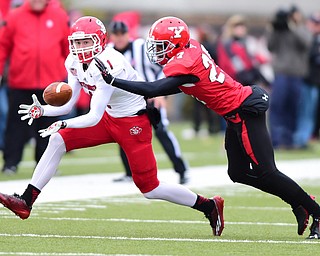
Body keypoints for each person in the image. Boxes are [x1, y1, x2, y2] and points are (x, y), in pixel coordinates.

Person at [94, 16, 320, 239]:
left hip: (244, 111)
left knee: (268, 172)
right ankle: (299, 204)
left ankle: (315, 211)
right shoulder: (190, 48)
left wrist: (113, 81)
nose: (158, 51)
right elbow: (181, 85)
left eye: (162, 46)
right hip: (233, 114)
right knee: (238, 173)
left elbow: (154, 89)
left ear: (176, 44)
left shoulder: (184, 63)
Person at [0, 16, 225, 237]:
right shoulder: (73, 61)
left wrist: (62, 123)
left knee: (150, 189)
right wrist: (43, 110)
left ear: (99, 40)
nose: (81, 47)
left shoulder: (109, 62)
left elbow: (93, 116)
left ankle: (208, 206)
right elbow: (68, 104)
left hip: (132, 123)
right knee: (58, 140)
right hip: (109, 118)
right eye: (77, 42)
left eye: (86, 41)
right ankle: (26, 201)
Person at [108, 20, 188, 184]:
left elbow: (163, 68)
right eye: (116, 34)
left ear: (127, 34)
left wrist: (160, 93)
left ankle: (182, 170)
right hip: (127, 101)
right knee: (124, 134)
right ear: (112, 36)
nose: (119, 37)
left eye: (122, 33)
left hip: (151, 98)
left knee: (161, 131)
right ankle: (129, 173)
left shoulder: (140, 47)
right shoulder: (108, 52)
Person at [0, 0, 70, 174]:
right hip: (21, 82)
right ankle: (10, 163)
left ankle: (46, 164)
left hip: (51, 85)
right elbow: (3, 47)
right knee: (16, 125)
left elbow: (67, 49)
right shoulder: (15, 16)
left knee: (49, 127)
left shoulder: (59, 16)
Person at [267, 6, 312, 149]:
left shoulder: (302, 29)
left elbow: (306, 43)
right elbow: (270, 46)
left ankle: (290, 140)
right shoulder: (280, 30)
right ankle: (277, 140)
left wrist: (293, 27)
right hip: (281, 74)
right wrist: (275, 27)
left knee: (293, 108)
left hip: (296, 75)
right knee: (278, 106)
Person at [294, 12, 320, 148]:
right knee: (304, 111)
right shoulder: (307, 37)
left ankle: (303, 138)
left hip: (314, 81)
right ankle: (300, 139)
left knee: (309, 112)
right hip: (305, 80)